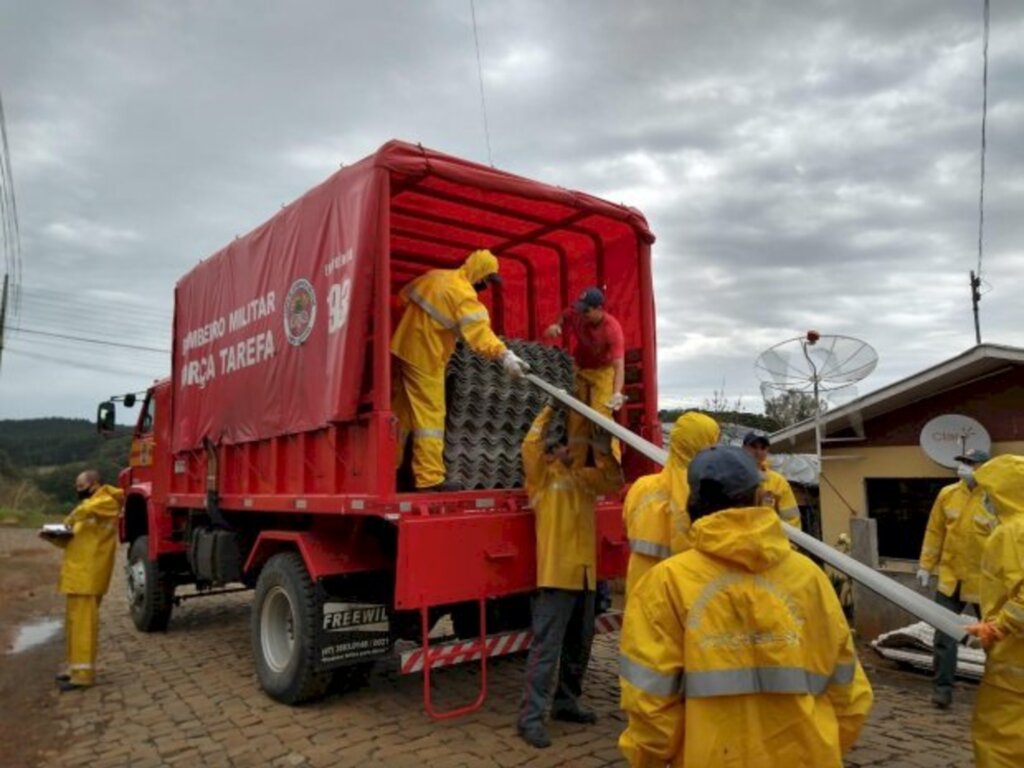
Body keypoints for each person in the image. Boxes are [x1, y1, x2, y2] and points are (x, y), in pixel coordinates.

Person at [618, 446, 873, 767]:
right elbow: (850, 696)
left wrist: (649, 760)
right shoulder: (810, 577)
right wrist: (820, 748)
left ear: (693, 502)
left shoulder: (666, 584)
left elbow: (649, 708)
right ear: (758, 498)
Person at [516, 403, 623, 749]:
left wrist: (603, 442)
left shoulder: (584, 479)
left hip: (586, 577)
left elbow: (614, 480)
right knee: (546, 651)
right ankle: (530, 719)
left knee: (580, 647)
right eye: (562, 445)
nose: (568, 449)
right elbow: (529, 447)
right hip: (555, 577)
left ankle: (566, 702)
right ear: (553, 450)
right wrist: (550, 408)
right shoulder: (541, 479)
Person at [391, 249, 529, 490]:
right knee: (431, 416)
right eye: (485, 281)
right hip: (426, 355)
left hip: (404, 347)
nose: (484, 286)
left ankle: (390, 467)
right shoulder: (463, 295)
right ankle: (429, 479)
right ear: (479, 274)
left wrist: (420, 324)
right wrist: (505, 354)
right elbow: (480, 334)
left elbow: (402, 297)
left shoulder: (435, 277)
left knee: (401, 415)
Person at [916, 447, 991, 708]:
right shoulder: (947, 495)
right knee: (944, 638)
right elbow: (934, 532)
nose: (964, 467)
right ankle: (943, 689)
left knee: (995, 641)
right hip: (950, 580)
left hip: (986, 583)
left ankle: (996, 694)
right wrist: (926, 566)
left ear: (984, 467)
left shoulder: (996, 497)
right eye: (962, 462)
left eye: (970, 463)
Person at [39, 470, 123, 692]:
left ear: (94, 484)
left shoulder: (106, 501)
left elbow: (92, 509)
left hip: (90, 573)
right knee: (75, 625)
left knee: (84, 626)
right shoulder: (89, 506)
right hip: (77, 574)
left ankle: (84, 676)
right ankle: (75, 670)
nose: (78, 490)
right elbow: (73, 541)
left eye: (81, 485)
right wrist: (54, 536)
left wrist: (75, 513)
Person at [965, 454, 1024, 768]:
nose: (985, 499)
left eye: (989, 491)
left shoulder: (1013, 532)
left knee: (1000, 745)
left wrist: (998, 626)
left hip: (1014, 667)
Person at [622, 411, 719, 598]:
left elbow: (626, 526)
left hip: (640, 591)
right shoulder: (708, 494)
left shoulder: (640, 487)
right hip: (683, 595)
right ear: (704, 444)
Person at [545, 287, 625, 466]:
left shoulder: (612, 329)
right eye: (581, 309)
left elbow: (619, 366)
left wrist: (617, 393)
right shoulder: (577, 314)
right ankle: (575, 468)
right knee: (576, 418)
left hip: (603, 372)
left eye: (587, 310)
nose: (582, 314)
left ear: (599, 308)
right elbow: (565, 315)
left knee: (600, 419)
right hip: (581, 370)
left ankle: (609, 469)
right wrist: (556, 325)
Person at [741, 430, 802, 529]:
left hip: (768, 542)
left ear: (767, 450)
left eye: (763, 448)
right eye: (753, 447)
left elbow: (792, 520)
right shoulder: (733, 477)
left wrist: (789, 544)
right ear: (743, 448)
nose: (758, 452)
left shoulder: (778, 482)